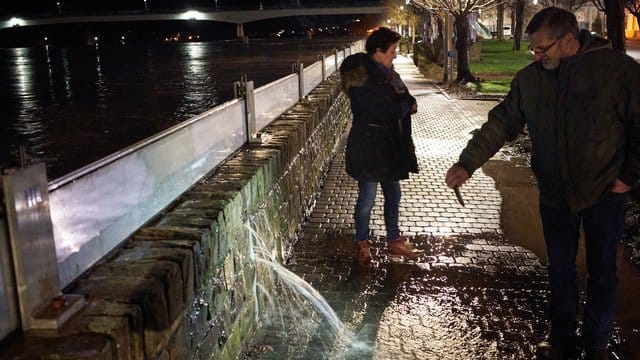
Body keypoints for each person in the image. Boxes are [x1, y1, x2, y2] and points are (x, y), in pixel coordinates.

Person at [445, 7, 640, 360]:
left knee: (603, 272)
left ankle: (596, 342)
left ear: (568, 40)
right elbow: (502, 123)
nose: (536, 56)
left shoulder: (617, 71)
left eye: (541, 49)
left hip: (605, 192)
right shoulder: (530, 80)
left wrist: (628, 178)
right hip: (554, 195)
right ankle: (562, 337)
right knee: (560, 268)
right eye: (533, 49)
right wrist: (468, 162)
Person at [339, 27, 423, 266]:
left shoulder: (388, 73)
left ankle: (395, 241)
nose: (395, 55)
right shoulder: (362, 77)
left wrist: (408, 102)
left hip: (389, 145)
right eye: (392, 50)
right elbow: (382, 110)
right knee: (367, 198)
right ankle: (362, 243)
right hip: (368, 145)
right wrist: (406, 107)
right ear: (378, 50)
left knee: (393, 194)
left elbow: (404, 96)